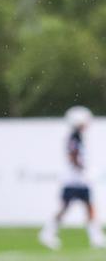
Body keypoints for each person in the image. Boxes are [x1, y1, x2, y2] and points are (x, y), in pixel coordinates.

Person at [39, 106, 105, 250]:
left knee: (89, 207)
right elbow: (73, 156)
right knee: (66, 207)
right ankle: (48, 232)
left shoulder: (78, 136)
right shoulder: (74, 137)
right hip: (74, 179)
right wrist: (84, 170)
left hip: (79, 179)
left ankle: (96, 237)